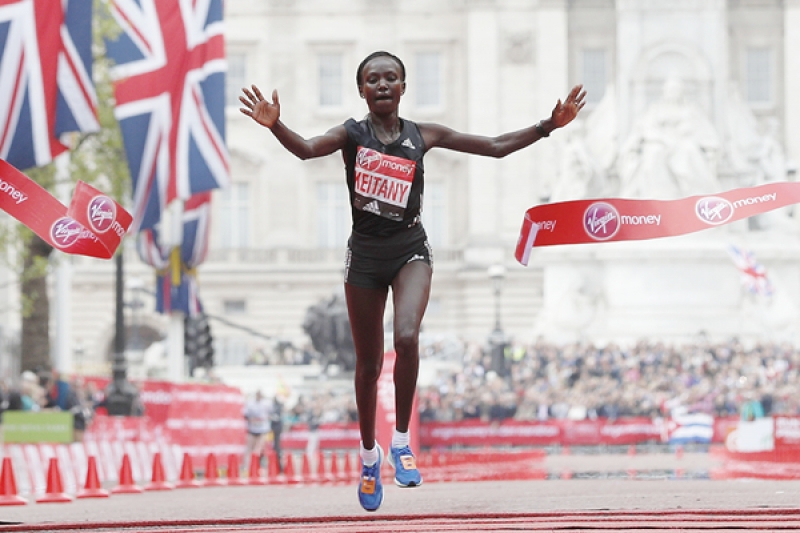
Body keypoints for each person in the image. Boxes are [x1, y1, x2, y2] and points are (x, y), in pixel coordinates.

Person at [240, 50, 585, 512]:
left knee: (406, 337)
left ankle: (401, 442)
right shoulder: (351, 134)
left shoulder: (424, 136)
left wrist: (548, 125)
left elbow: (496, 146)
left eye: (391, 78)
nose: (382, 85)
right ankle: (369, 456)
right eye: (372, 79)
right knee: (367, 365)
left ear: (404, 87)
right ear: (361, 89)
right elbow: (305, 149)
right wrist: (276, 126)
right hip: (363, 257)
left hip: (410, 250)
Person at [242, 390, 272, 473]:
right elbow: (245, 415)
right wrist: (251, 419)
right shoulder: (250, 404)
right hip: (252, 429)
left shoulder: (266, 404)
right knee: (249, 449)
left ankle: (255, 466)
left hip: (263, 430)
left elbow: (271, 414)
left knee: (258, 449)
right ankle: (247, 467)